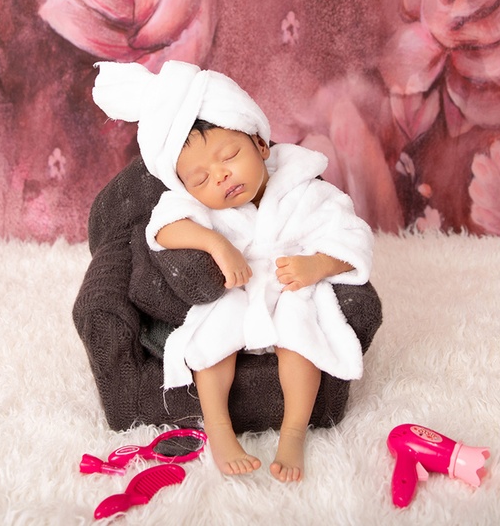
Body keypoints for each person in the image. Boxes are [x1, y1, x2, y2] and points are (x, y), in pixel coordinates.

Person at [92, 60, 373, 483]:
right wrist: (216, 244)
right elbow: (163, 228)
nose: (221, 177)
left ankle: (293, 433)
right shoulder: (193, 203)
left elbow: (351, 235)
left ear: (260, 144)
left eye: (230, 156)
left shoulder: (303, 185)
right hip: (235, 289)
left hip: (289, 281)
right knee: (216, 325)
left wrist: (317, 264)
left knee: (301, 327)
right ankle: (220, 429)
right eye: (201, 178)